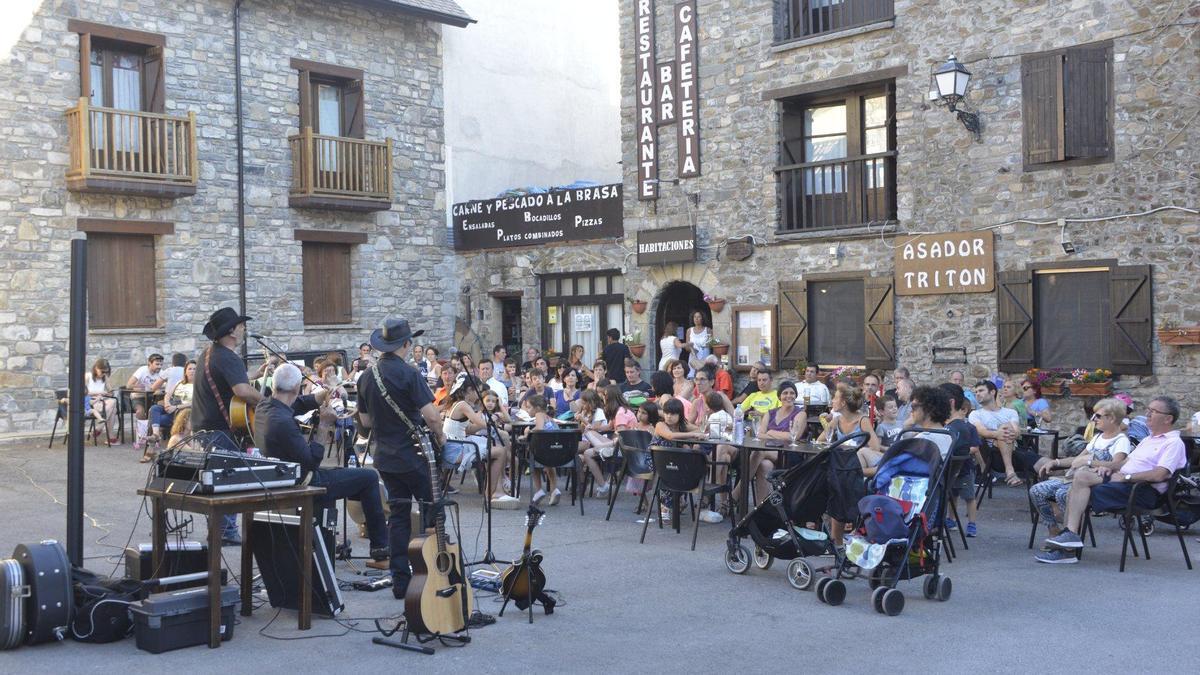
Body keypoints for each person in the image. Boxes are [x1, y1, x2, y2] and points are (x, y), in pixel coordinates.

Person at [255, 363, 391, 570]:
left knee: (355, 478)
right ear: (297, 387)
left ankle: (363, 522)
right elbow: (311, 461)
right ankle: (380, 550)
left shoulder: (264, 407)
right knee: (369, 478)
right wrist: (324, 425)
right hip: (305, 482)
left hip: (283, 477)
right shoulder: (283, 422)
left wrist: (321, 395)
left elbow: (297, 403)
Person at [355, 317, 446, 598]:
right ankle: (435, 571)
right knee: (433, 511)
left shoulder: (366, 377)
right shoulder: (409, 373)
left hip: (386, 456)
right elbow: (431, 416)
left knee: (398, 515)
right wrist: (442, 436)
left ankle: (400, 580)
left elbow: (366, 421)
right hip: (415, 455)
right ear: (406, 344)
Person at [1037, 396, 1188, 563]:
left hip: (1142, 490)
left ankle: (1067, 549)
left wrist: (1126, 477)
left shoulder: (1173, 443)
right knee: (1081, 477)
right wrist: (1108, 467)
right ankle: (1070, 536)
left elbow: (1160, 474)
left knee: (1074, 492)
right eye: (1148, 410)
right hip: (1124, 482)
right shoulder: (1148, 439)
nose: (1148, 414)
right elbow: (1124, 463)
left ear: (1168, 418)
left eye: (1153, 411)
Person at [193, 307, 261, 545]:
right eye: (240, 326)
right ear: (231, 330)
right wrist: (268, 403)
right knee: (228, 478)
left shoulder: (211, 353)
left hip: (205, 425)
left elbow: (230, 381)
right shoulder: (228, 357)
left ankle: (222, 531)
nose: (243, 329)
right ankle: (226, 533)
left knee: (219, 477)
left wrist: (253, 374)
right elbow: (241, 390)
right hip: (220, 428)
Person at [1030, 397, 1130, 543]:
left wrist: (1089, 461)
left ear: (1112, 418)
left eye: (1098, 416)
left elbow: (1115, 466)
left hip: (1093, 483)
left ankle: (1069, 534)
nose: (1093, 419)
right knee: (1036, 490)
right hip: (1074, 478)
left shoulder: (1121, 441)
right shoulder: (1097, 437)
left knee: (1061, 494)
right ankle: (1054, 531)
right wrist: (1056, 462)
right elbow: (1077, 459)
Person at [440, 373, 520, 509]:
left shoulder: (455, 403)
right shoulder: (463, 405)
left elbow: (468, 429)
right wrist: (493, 417)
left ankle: (497, 490)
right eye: (478, 390)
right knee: (500, 452)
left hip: (454, 444)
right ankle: (491, 494)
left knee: (494, 446)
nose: (479, 394)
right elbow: (483, 423)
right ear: (470, 390)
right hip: (455, 449)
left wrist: (488, 421)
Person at [818, 383, 881, 548]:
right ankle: (837, 538)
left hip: (859, 463)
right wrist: (827, 424)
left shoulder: (863, 420)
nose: (832, 400)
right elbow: (820, 441)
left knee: (839, 481)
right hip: (844, 469)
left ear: (843, 402)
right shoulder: (837, 420)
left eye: (835, 398)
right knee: (833, 482)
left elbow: (874, 447)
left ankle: (837, 537)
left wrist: (848, 449)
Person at [652, 397, 721, 523]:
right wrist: (692, 434)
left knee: (687, 462)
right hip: (658, 461)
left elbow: (701, 430)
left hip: (676, 461)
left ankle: (679, 500)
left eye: (673, 414)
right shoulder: (660, 424)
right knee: (673, 471)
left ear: (680, 414)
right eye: (666, 413)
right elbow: (670, 436)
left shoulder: (682, 425)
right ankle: (667, 506)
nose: (669, 416)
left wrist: (701, 426)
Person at [940, 383, 984, 537]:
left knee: (969, 497)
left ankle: (972, 523)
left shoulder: (966, 428)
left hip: (965, 469)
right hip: (954, 468)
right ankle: (950, 519)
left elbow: (974, 447)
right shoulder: (949, 426)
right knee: (952, 495)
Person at [969, 380, 1029, 487]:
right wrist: (997, 434)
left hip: (1014, 450)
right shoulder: (975, 414)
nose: (977, 394)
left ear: (992, 392)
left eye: (981, 390)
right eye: (976, 392)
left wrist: (1006, 433)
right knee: (1004, 428)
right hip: (991, 454)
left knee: (1045, 463)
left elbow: (1016, 431)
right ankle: (1010, 472)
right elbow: (981, 431)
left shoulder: (1010, 412)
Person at [145, 360, 197, 462]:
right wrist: (167, 403)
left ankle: (152, 447)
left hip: (183, 412)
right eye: (190, 369)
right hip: (171, 409)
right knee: (154, 408)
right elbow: (168, 394)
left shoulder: (198, 386)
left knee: (156, 419)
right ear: (185, 371)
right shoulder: (180, 383)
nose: (192, 371)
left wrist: (176, 407)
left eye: (195, 369)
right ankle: (156, 434)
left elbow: (195, 403)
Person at [522, 394, 562, 505]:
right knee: (549, 465)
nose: (527, 410)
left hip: (543, 451)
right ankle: (554, 490)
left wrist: (527, 434)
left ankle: (539, 490)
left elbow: (539, 428)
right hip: (555, 451)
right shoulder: (550, 418)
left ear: (538, 408)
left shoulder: (539, 415)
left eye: (529, 407)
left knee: (532, 459)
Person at [576, 389, 617, 497]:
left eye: (585, 403)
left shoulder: (599, 411)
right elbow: (581, 430)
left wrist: (583, 420)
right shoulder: (584, 412)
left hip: (596, 440)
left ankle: (582, 481)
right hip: (585, 439)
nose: (583, 405)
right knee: (576, 456)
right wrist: (578, 420)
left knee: (571, 449)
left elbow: (596, 428)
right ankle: (581, 481)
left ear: (591, 402)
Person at [127, 353, 166, 453]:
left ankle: (154, 436)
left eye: (161, 364)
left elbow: (165, 386)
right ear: (150, 363)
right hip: (139, 397)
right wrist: (142, 387)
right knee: (140, 411)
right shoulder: (142, 370)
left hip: (153, 397)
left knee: (157, 411)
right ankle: (142, 436)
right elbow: (129, 385)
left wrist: (159, 389)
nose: (159, 367)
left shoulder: (162, 372)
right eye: (157, 364)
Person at [84, 358, 118, 444]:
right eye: (102, 372)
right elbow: (83, 393)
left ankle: (100, 427)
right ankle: (110, 435)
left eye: (106, 372)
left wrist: (109, 393)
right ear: (96, 368)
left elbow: (111, 391)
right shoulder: (88, 376)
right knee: (113, 408)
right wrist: (100, 392)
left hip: (102, 402)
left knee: (113, 404)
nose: (104, 374)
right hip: (90, 402)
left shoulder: (104, 378)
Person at [684, 311, 711, 377]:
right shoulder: (689, 330)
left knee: (704, 376)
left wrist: (707, 344)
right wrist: (692, 348)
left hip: (705, 357)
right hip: (694, 358)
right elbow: (686, 348)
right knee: (692, 376)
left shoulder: (708, 330)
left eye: (699, 317)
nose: (696, 319)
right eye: (695, 317)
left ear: (702, 318)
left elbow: (711, 344)